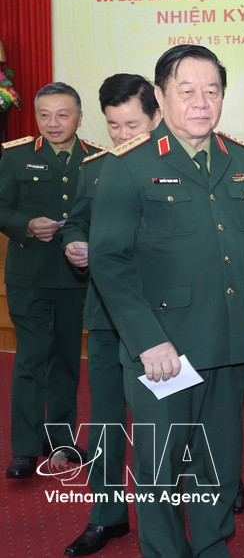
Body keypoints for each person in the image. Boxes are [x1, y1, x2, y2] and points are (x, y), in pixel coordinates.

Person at [88, 45, 244, 557]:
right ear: (160, 97)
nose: (202, 102)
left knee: (217, 463)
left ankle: (212, 547)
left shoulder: (243, 161)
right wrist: (148, 341)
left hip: (226, 344)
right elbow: (110, 263)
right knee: (160, 470)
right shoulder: (128, 167)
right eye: (187, 91)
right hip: (164, 353)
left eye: (212, 91)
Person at [60, 74, 161, 555]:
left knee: (167, 420)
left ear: (157, 115)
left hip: (163, 320)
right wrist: (74, 241)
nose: (122, 136)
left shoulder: (176, 165)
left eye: (133, 124)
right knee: (105, 419)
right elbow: (78, 219)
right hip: (105, 316)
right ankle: (107, 515)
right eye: (114, 126)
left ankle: (180, 507)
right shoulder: (96, 168)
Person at [0, 82, 101, 479]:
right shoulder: (15, 156)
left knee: (65, 361)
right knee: (30, 359)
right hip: (31, 276)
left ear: (79, 116)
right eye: (44, 115)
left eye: (63, 114)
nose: (53, 123)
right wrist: (25, 225)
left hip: (77, 278)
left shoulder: (96, 159)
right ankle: (24, 448)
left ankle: (59, 438)